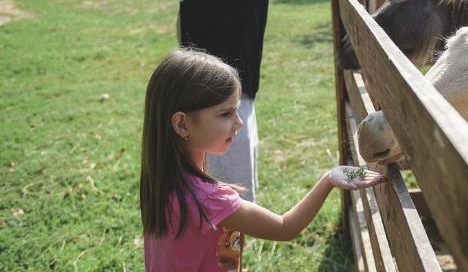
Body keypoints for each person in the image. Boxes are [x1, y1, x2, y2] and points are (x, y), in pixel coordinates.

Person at [177, 0, 433, 203]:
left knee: (205, 197)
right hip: (217, 100)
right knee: (231, 209)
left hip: (196, 91)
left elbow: (182, 16)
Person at [140, 49, 385, 271]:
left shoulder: (161, 181)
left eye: (236, 109)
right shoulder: (209, 199)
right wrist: (329, 179)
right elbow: (283, 227)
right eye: (225, 113)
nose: (239, 122)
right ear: (182, 123)